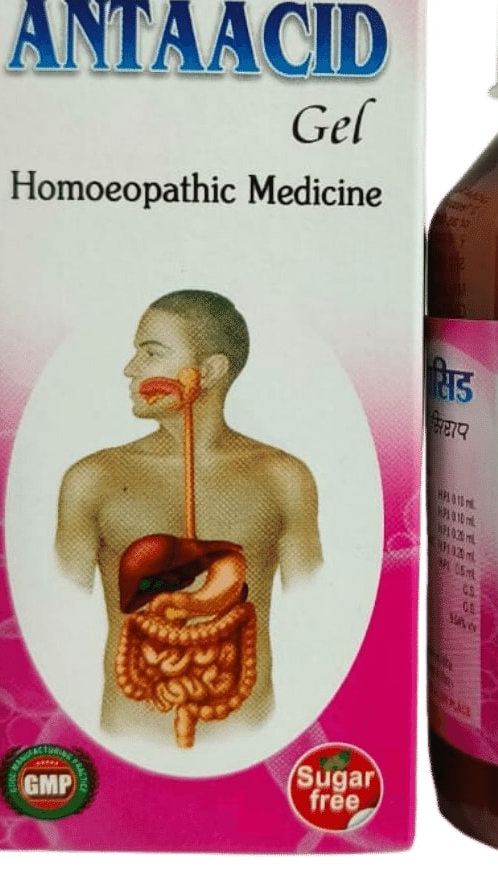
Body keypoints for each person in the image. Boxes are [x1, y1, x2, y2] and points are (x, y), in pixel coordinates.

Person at [56, 290, 322, 739]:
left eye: (151, 353)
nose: (130, 369)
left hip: (250, 734)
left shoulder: (283, 478)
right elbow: (58, 606)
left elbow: (317, 610)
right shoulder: (92, 479)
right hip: (128, 736)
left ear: (211, 370)